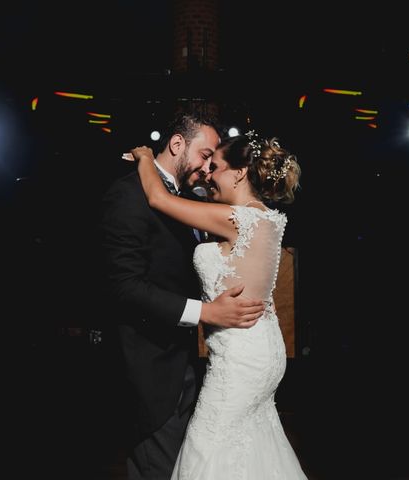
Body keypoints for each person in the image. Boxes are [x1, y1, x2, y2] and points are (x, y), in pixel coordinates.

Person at [128, 130, 307, 479]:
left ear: (240, 173)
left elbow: (158, 199)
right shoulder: (268, 217)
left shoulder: (234, 219)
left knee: (209, 447)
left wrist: (146, 158)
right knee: (253, 446)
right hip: (264, 349)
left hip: (239, 359)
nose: (209, 173)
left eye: (217, 166)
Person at [101, 114, 266, 480]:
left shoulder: (192, 201)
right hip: (150, 372)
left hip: (193, 368)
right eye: (205, 155)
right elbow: (123, 287)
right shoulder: (129, 194)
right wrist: (205, 312)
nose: (208, 169)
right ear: (177, 144)